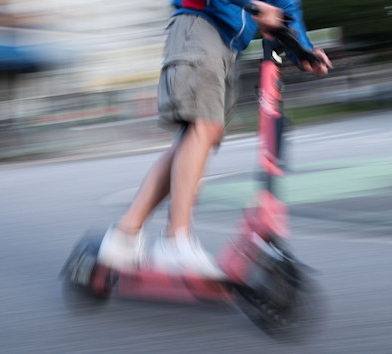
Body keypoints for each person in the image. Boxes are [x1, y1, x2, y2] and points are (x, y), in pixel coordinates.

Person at [98, 0, 332, 277]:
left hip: (227, 45)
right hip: (199, 24)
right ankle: (175, 242)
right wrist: (252, 5)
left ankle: (125, 235)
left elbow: (286, 6)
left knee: (198, 138)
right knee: (203, 128)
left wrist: (304, 51)